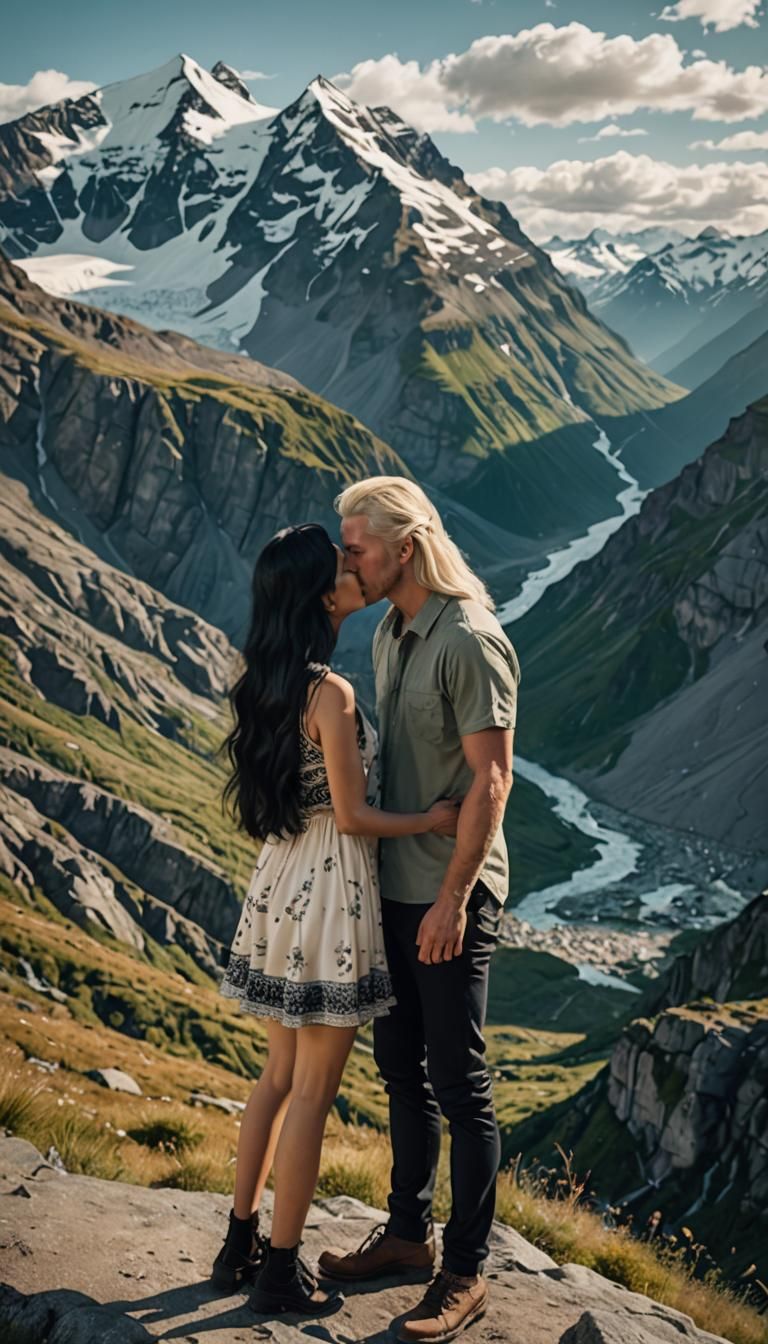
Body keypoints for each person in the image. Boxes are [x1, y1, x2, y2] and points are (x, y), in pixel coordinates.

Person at [212, 523, 460, 1319]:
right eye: (342, 566)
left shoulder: (263, 681)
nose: (356, 570)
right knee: (314, 1090)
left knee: (276, 1077)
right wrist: (430, 818)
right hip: (330, 890)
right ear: (325, 596)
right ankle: (282, 1272)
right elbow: (352, 816)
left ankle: (238, 1242)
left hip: (280, 878)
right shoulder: (332, 694)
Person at [319, 479, 520, 1344]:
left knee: (460, 1085)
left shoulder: (469, 639)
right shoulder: (392, 631)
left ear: (403, 548)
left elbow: (493, 780)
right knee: (401, 1069)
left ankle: (465, 1273)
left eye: (355, 545)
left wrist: (453, 900)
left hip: (446, 896)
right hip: (393, 886)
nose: (344, 559)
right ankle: (407, 1235)